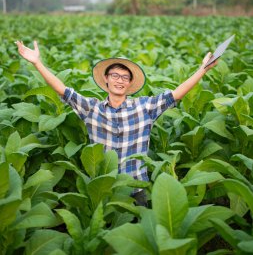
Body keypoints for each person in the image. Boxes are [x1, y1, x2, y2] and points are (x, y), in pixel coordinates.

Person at [16, 40, 218, 206]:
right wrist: (37, 63)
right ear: (106, 79)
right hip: (106, 188)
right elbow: (63, 90)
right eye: (115, 75)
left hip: (137, 189)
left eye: (125, 77)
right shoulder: (92, 109)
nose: (119, 80)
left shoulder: (144, 108)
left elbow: (175, 94)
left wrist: (202, 70)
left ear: (130, 83)